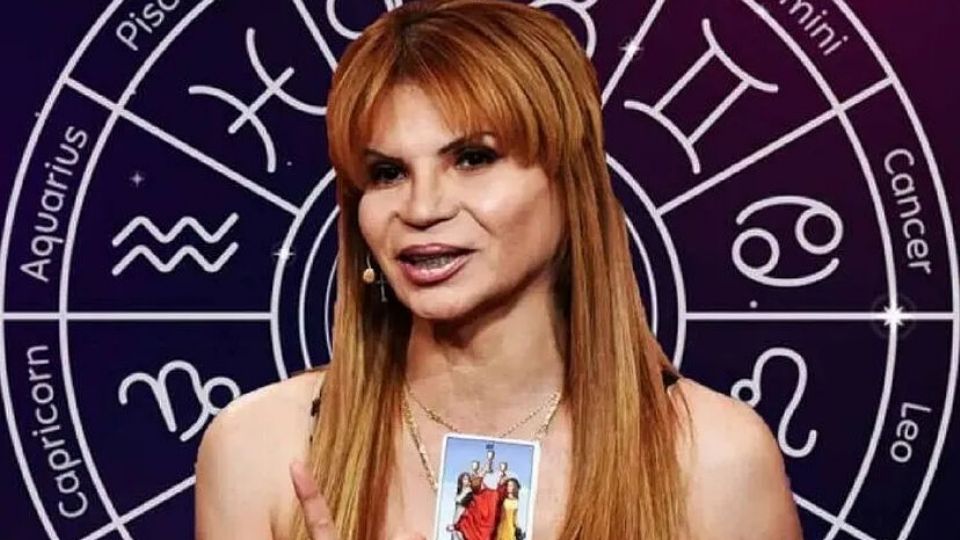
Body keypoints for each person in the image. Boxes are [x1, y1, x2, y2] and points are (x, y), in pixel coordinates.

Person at [194, 1, 803, 539]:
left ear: (567, 182)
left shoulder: (714, 460)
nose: (422, 208)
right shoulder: (261, 450)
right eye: (387, 173)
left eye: (472, 158)